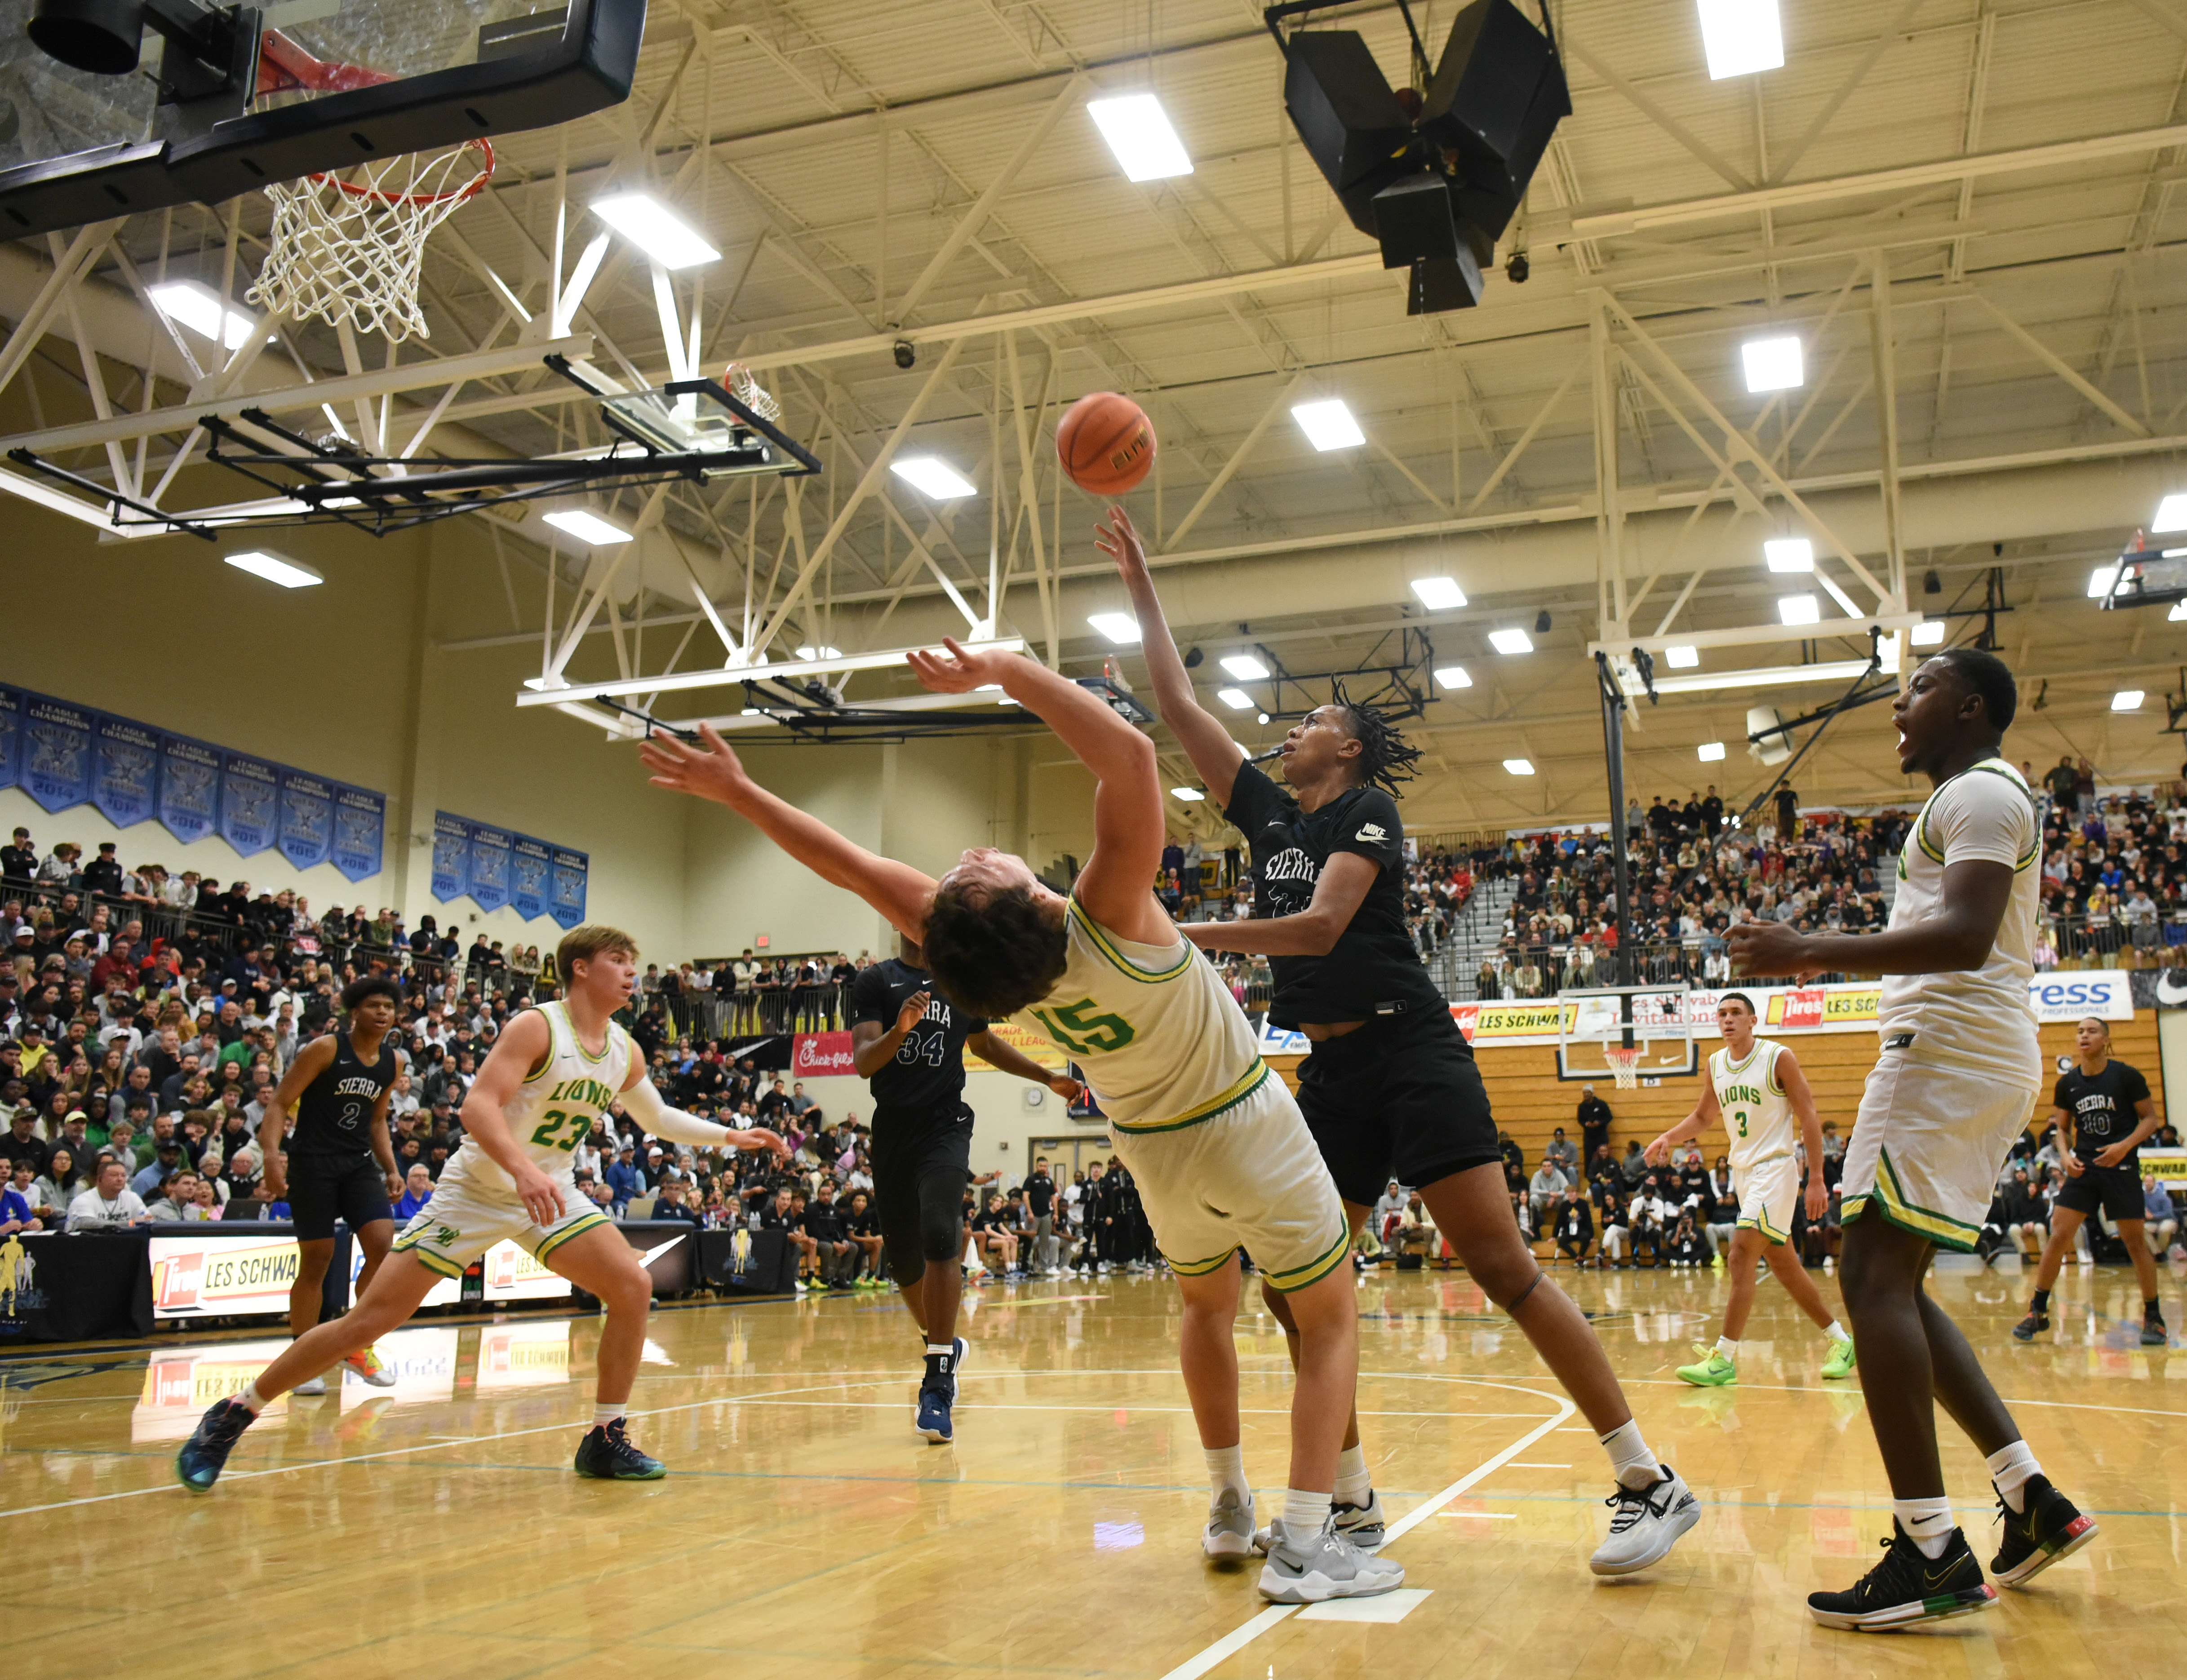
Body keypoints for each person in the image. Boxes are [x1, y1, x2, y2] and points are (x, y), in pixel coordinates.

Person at [638, 624, 1404, 1605]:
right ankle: (1304, 1541)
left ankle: (1226, 1503)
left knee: (1207, 1310)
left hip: (1152, 1152)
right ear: (1021, 899)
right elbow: (1128, 754)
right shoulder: (1108, 914)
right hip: (1241, 1119)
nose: (969, 854)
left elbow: (845, 865)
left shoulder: (990, 959)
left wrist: (741, 794)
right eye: (972, 867)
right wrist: (1003, 670)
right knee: (1327, 1315)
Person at [1104, 503, 1695, 1579]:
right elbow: (1175, 703)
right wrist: (1144, 581)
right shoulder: (1267, 815)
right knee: (1297, 1290)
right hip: (1330, 1070)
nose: (1293, 731)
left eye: (1314, 720)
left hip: (1412, 1049)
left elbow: (1321, 926)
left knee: (1502, 1267)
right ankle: (1353, 1501)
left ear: (1351, 745)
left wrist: (1176, 931)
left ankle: (1648, 1478)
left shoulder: (1367, 807)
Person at [1731, 647, 2097, 1629]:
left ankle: (1931, 1549)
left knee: (1868, 1282)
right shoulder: (1985, 796)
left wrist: (1806, 946)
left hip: (1944, 1049)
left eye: (1922, 688)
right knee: (1894, 1283)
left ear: (1971, 708)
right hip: (1978, 1054)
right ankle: (2031, 1497)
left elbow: (1966, 935)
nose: (1901, 703)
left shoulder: (1979, 796)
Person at [173, 925, 790, 1494]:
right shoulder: (537, 1026)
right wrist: (519, 1168)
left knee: (630, 1283)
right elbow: (477, 1107)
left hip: (545, 1192)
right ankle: (234, 1412)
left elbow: (658, 1117)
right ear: (580, 967)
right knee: (369, 1321)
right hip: (477, 1190)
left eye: (634, 963)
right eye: (619, 960)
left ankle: (605, 1436)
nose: (633, 972)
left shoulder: (622, 1048)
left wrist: (733, 1136)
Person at [844, 934, 1078, 1438]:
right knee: (903, 1261)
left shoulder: (958, 984)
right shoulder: (874, 981)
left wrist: (1045, 1077)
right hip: (893, 1127)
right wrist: (900, 1030)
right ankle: (942, 1341)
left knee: (940, 1230)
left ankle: (937, 1380)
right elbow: (865, 1061)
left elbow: (984, 1043)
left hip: (945, 1123)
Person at [1645, 993, 1856, 1385]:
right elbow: (1703, 1116)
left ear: (1752, 1020)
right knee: (1784, 1266)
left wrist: (1815, 1178)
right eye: (1722, 1014)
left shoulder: (1778, 1057)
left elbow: (1809, 1116)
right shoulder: (1715, 1065)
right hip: (1744, 1173)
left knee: (1741, 1254)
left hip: (1776, 1168)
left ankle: (1723, 1357)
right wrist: (1669, 1138)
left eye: (1735, 1013)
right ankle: (1841, 1341)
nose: (1728, 1020)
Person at [255, 976, 406, 1396]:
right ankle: (304, 1358)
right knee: (318, 1260)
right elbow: (280, 1102)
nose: (382, 1012)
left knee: (382, 1245)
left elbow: (377, 1120)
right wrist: (272, 1157)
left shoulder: (392, 1061)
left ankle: (357, 1344)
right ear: (354, 1011)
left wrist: (391, 1167)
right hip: (312, 1164)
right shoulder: (325, 1049)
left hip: (358, 1164)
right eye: (373, 1005)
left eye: (388, 1007)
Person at [2012, 1017, 2165, 1346]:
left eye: (2091, 1031)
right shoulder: (2068, 1083)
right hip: (2084, 1169)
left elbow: (2151, 1119)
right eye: (2080, 1031)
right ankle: (2037, 1310)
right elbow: (2062, 1130)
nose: (2084, 1035)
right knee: (2058, 1235)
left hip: (2119, 1167)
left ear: (2105, 1039)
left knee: (2135, 1242)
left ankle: (2154, 1317)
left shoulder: (2126, 1076)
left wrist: (2122, 1146)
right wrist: (2065, 1156)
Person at [66, 1157, 147, 1230]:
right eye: (114, 1175)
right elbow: (89, 1224)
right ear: (100, 1178)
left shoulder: (132, 1197)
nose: (120, 1179)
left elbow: (147, 1220)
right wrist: (130, 1223)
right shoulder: (83, 1200)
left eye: (123, 1176)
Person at [1576, 1084, 1613, 1164]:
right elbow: (1580, 1120)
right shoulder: (1582, 1107)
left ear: (1592, 1094)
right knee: (1589, 1157)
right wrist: (1586, 1124)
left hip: (1601, 1135)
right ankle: (1590, 1175)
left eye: (1588, 1093)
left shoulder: (1601, 1104)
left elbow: (1609, 1117)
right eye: (1585, 1093)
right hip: (1589, 1136)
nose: (1586, 1095)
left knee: (1604, 1155)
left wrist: (1600, 1123)